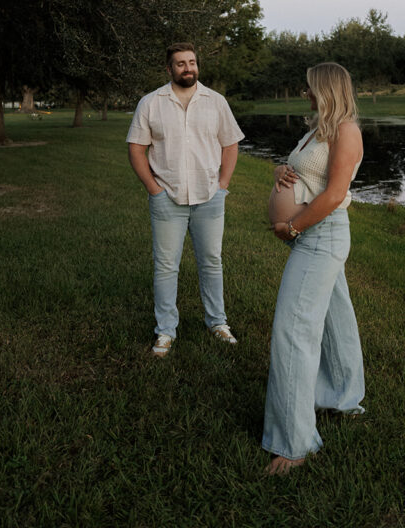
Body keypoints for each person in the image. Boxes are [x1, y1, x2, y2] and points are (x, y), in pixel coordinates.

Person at [263, 62, 365, 474]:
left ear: (326, 89)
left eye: (309, 88)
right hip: (313, 235)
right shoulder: (317, 130)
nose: (304, 93)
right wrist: (280, 172)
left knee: (294, 331)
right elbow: (306, 176)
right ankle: (343, 397)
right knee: (337, 320)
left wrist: (290, 226)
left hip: (319, 236)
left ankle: (294, 443)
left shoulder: (347, 131)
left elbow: (336, 193)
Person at [127, 43, 244, 358]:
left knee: (212, 262)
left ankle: (217, 323)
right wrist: (154, 189)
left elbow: (230, 144)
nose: (187, 68)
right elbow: (137, 149)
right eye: (180, 64)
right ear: (169, 69)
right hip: (167, 198)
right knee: (166, 266)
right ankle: (165, 331)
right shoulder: (151, 103)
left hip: (209, 198)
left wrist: (223, 185)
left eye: (192, 62)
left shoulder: (216, 102)